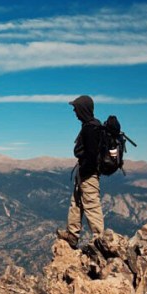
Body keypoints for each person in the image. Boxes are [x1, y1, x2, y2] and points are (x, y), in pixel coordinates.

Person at [57, 95, 104, 248]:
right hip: (84, 174)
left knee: (91, 205)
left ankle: (100, 240)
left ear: (83, 109)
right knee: (76, 203)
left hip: (88, 175)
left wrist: (85, 170)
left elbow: (91, 155)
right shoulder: (90, 126)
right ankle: (72, 235)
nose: (74, 112)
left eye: (76, 108)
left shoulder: (91, 128)